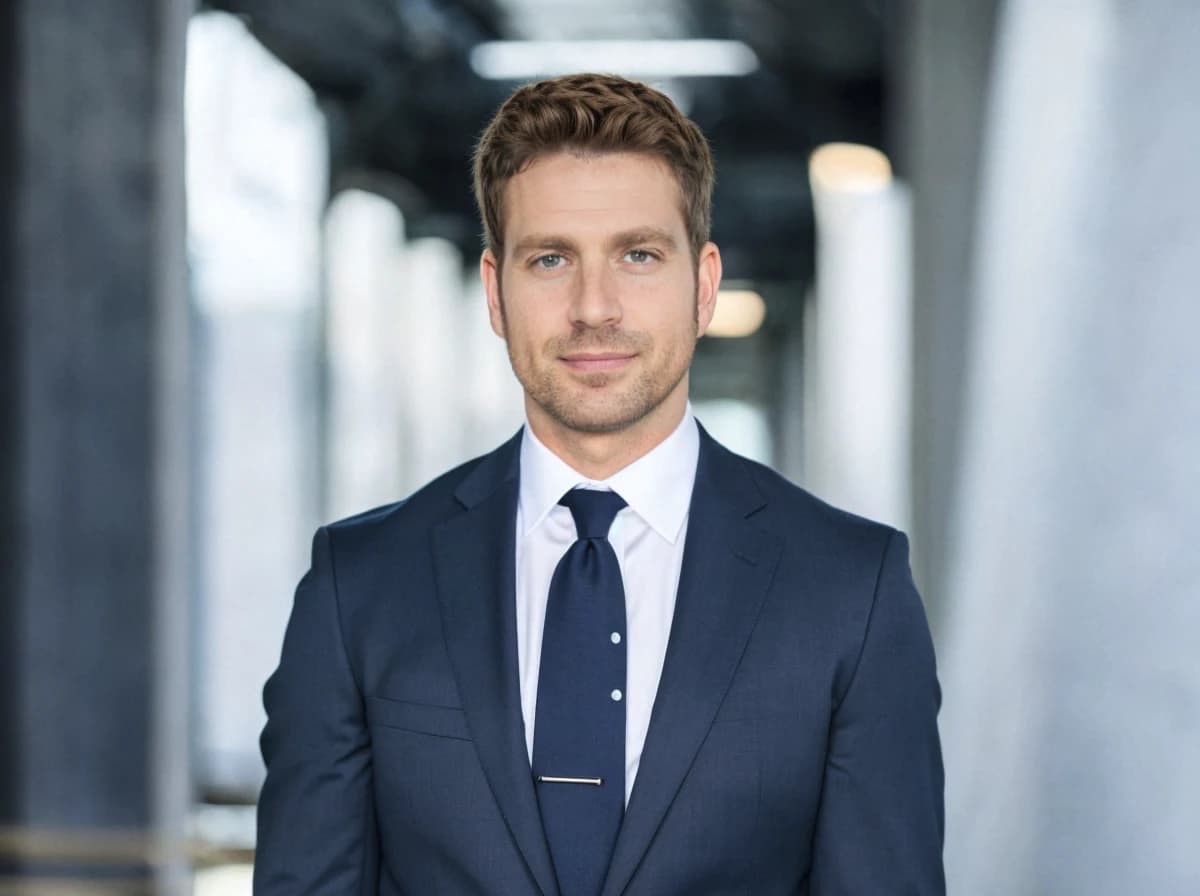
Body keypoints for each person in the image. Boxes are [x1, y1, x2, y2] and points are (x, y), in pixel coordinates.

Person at [254, 73, 944, 896]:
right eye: (550, 259)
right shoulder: (359, 584)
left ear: (704, 283)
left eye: (639, 255)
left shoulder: (850, 591)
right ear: (495, 292)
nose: (594, 307)